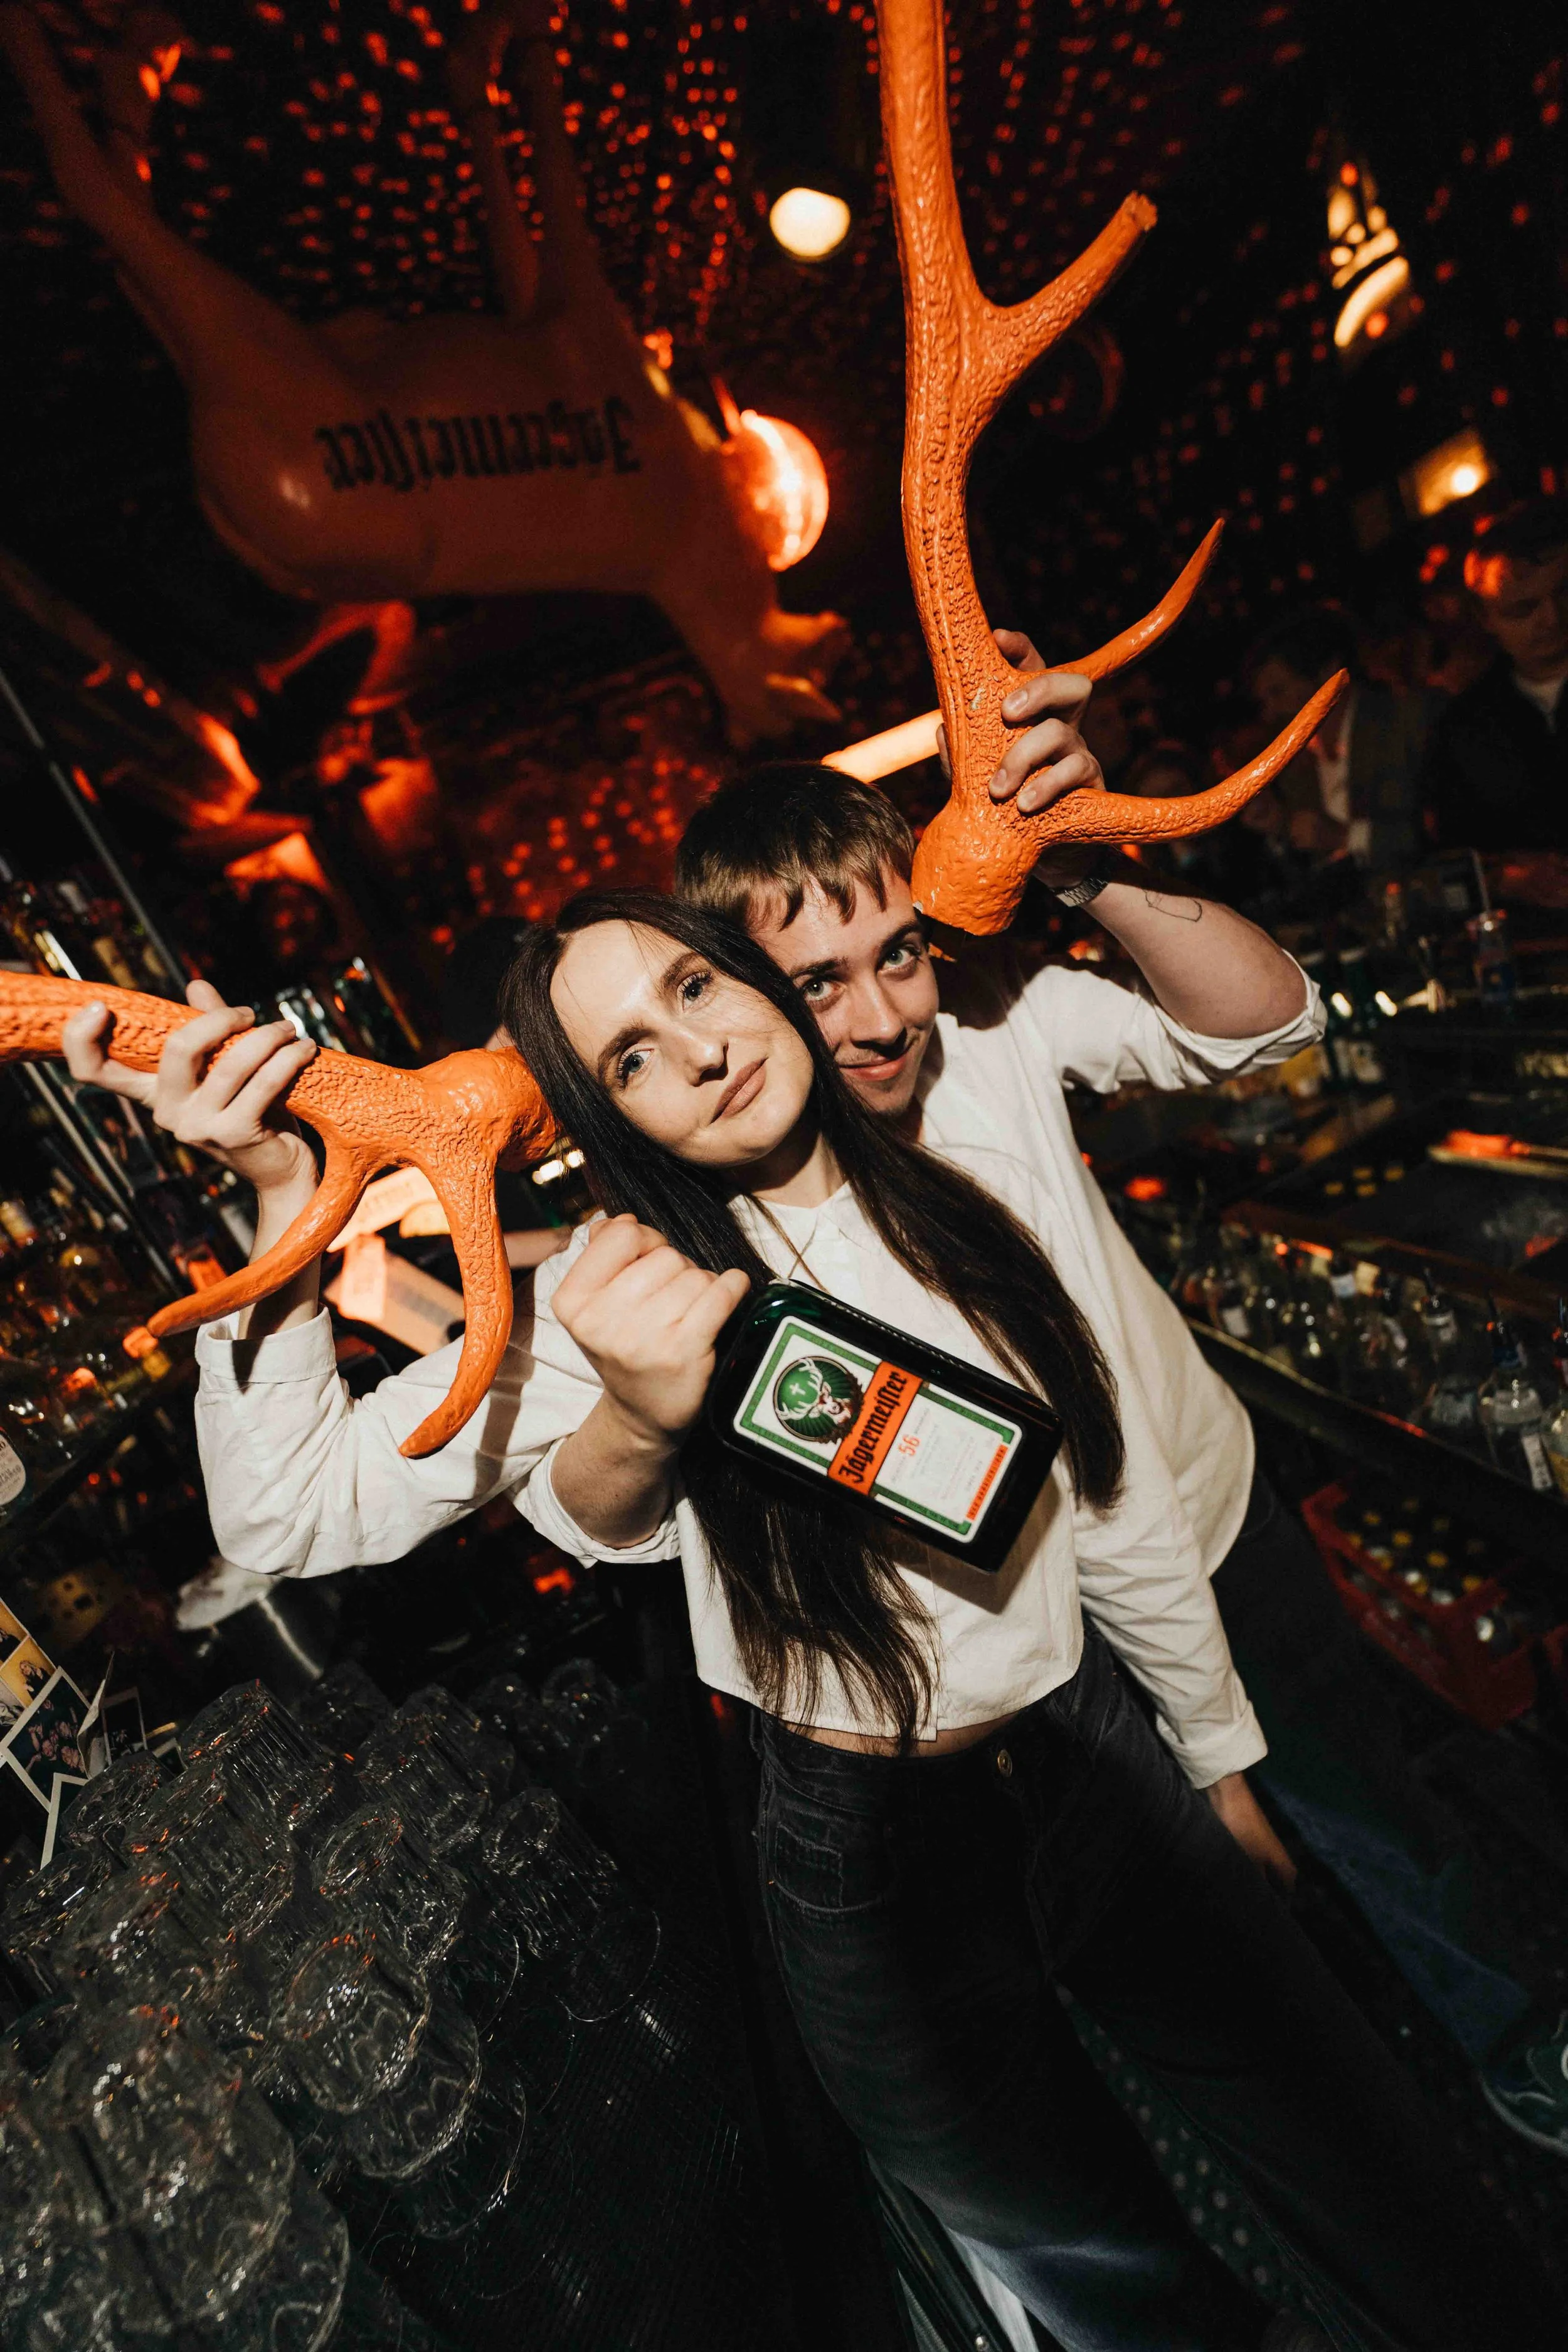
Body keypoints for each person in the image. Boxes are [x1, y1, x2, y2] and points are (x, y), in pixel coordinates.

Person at [60, 915, 1559, 2352]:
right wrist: (281, 1194)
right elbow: (289, 1517)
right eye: (630, 1056)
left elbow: (1110, 1498)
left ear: (757, 977)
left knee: (1376, 2170)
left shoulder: (957, 1150)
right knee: (1113, 2280)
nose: (699, 1052)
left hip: (1094, 1752)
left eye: (695, 988)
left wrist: (1217, 1759)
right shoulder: (612, 1295)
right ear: (602, 1115)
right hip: (872, 1867)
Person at [674, 657, 1568, 2163]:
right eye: (816, 984)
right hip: (1054, 1647)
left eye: (896, 954)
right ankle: (1371, 2124)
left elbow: (1268, 1027)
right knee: (1230, 1929)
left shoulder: (991, 1020)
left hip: (1210, 1522)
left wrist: (1090, 865)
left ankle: (1507, 2042)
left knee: (1371, 1805)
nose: (880, 1017)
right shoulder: (754, 1199)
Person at [1422, 497, 1568, 852]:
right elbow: (1455, 849)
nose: (1553, 618)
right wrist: (1509, 874)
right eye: (1523, 610)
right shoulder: (1465, 728)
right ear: (1486, 617)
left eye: (1565, 593)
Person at [1244, 607, 1439, 869]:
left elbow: (1440, 831)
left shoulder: (1401, 723)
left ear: (1328, 673)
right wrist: (1280, 824)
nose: (1270, 713)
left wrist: (1345, 837)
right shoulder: (1295, 766)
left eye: (1279, 692)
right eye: (1264, 701)